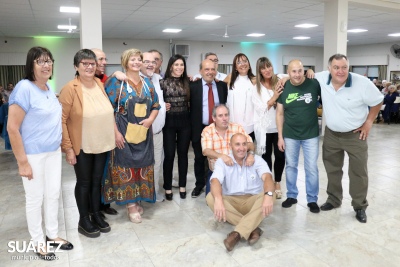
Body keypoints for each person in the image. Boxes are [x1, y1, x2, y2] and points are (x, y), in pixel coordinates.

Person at [7, 46, 73, 260]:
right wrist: (22, 162)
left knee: (53, 194)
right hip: (33, 155)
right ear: (31, 65)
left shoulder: (47, 88)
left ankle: (52, 235)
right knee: (35, 199)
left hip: (53, 153)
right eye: (40, 61)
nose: (46, 65)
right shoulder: (23, 88)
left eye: (49, 61)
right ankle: (38, 242)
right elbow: (12, 128)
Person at [313, 54, 383, 223]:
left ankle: (359, 206)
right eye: (336, 67)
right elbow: (297, 75)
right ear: (329, 69)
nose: (340, 71)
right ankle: (334, 200)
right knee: (332, 170)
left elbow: (377, 101)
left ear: (348, 67)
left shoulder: (362, 83)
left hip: (355, 135)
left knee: (358, 172)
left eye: (344, 67)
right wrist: (305, 71)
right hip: (331, 135)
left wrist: (368, 122)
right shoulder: (321, 78)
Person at [59, 49, 115, 237]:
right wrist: (68, 148)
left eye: (92, 63)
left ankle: (95, 213)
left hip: (101, 142)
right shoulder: (70, 88)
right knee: (84, 182)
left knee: (96, 181)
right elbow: (62, 119)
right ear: (76, 66)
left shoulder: (99, 84)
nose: (90, 67)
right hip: (81, 144)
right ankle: (83, 220)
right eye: (85, 63)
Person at [104, 48, 160, 223]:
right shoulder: (116, 82)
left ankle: (137, 199)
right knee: (125, 167)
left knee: (141, 167)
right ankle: (130, 206)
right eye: (132, 59)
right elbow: (108, 110)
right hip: (122, 132)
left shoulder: (147, 84)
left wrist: (151, 119)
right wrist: (116, 133)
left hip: (143, 133)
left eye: (138, 59)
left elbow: (156, 105)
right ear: (125, 62)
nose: (136, 62)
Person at [206, 133, 274, 251]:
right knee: (210, 197)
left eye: (244, 144)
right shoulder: (222, 162)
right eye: (237, 144)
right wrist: (218, 199)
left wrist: (268, 196)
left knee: (270, 195)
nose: (241, 148)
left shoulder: (257, 160)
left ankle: (237, 234)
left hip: (253, 202)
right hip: (231, 202)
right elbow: (215, 181)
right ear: (230, 146)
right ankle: (252, 227)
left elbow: (268, 178)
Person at [276, 59, 321, 213]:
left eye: (300, 70)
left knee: (311, 168)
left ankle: (312, 199)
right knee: (290, 166)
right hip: (290, 134)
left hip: (311, 134)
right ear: (288, 73)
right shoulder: (283, 86)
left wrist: (312, 72)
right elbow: (280, 113)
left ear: (304, 70)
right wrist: (280, 137)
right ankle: (292, 195)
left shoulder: (314, 84)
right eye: (293, 71)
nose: (297, 74)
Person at [190, 59, 228, 198]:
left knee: (218, 158)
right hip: (199, 127)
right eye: (207, 69)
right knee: (199, 158)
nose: (210, 72)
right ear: (200, 71)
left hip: (218, 128)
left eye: (212, 69)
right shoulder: (192, 86)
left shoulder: (222, 86)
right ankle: (199, 184)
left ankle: (219, 183)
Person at [201, 104, 255, 195]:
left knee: (249, 196)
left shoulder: (237, 128)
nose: (224, 118)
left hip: (238, 171)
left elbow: (250, 144)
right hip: (217, 172)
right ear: (214, 118)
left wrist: (250, 154)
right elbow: (206, 150)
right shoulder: (208, 131)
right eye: (220, 116)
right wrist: (221, 156)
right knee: (211, 199)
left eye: (226, 115)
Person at [91, 48, 119, 216]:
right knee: (92, 175)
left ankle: (104, 203)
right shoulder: (83, 83)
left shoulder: (107, 80)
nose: (104, 62)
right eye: (100, 59)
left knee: (106, 171)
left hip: (108, 134)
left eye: (104, 59)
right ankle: (93, 208)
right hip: (91, 136)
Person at [252, 57, 285, 199]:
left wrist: (309, 71)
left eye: (269, 66)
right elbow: (261, 109)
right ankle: (268, 181)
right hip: (264, 129)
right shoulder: (255, 88)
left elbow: (292, 74)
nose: (267, 70)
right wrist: (275, 96)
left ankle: (277, 182)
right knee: (265, 157)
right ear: (259, 71)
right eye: (263, 68)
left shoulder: (280, 81)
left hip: (279, 127)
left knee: (280, 156)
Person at [161, 54, 191, 200]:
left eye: (182, 65)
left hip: (185, 122)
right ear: (171, 66)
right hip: (169, 123)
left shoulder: (188, 82)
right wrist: (162, 105)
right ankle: (167, 187)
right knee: (169, 155)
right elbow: (156, 102)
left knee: (183, 155)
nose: (179, 67)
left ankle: (182, 186)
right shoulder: (163, 83)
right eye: (177, 64)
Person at [140, 52, 166, 202]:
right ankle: (140, 195)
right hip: (141, 133)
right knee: (142, 166)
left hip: (158, 132)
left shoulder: (159, 79)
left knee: (156, 165)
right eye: (146, 61)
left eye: (153, 61)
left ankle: (154, 193)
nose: (150, 64)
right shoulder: (134, 80)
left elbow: (161, 101)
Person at [224, 53, 256, 139]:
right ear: (235, 67)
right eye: (239, 62)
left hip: (249, 125)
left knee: (248, 150)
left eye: (245, 61)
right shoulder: (230, 78)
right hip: (232, 124)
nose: (243, 64)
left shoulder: (254, 80)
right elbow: (217, 86)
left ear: (249, 64)